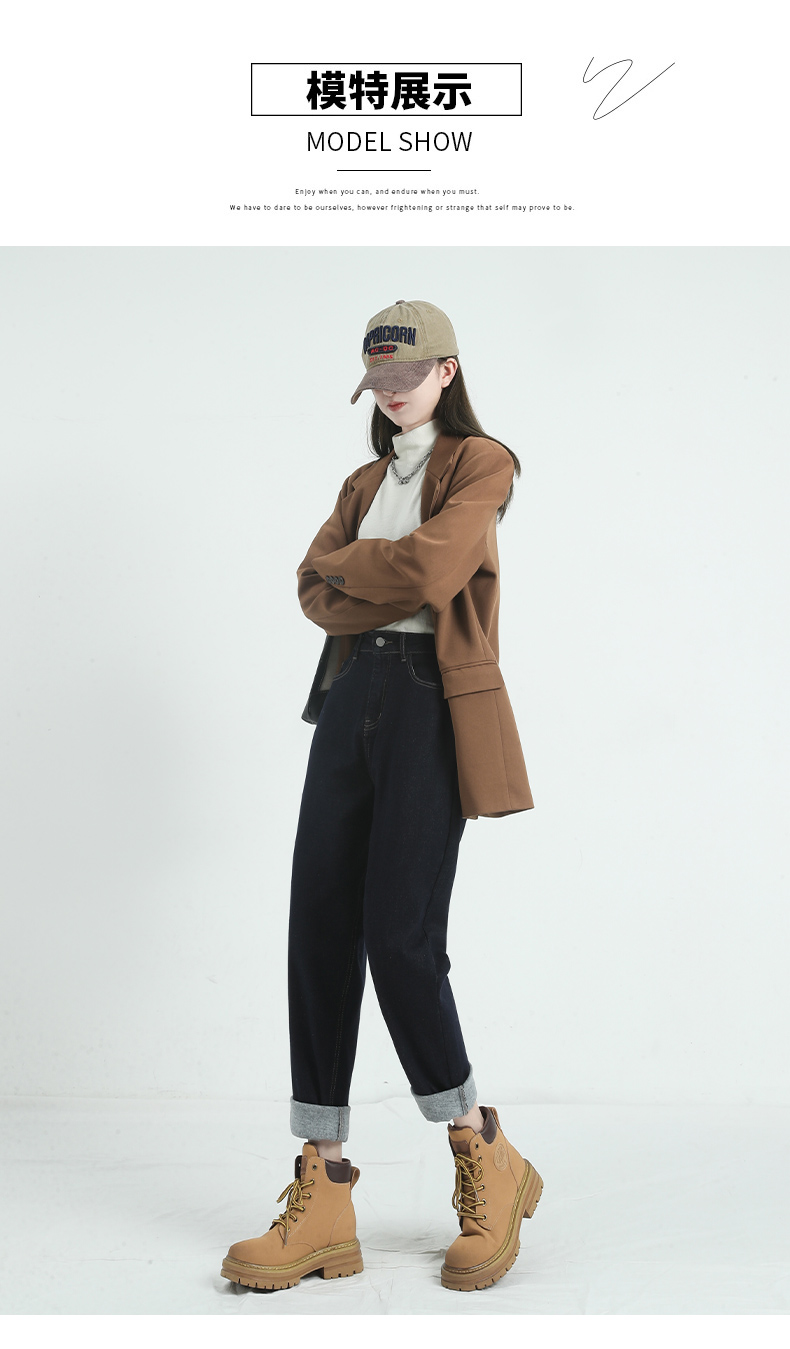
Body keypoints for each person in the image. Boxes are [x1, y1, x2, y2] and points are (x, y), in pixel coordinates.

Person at [221, 299, 543, 1294]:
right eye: (380, 381)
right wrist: (372, 575)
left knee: (400, 939)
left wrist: (356, 568)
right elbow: (310, 590)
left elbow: (434, 568)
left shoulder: (483, 463)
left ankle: (481, 1145)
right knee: (319, 926)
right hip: (350, 695)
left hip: (429, 703)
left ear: (447, 371)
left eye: (409, 376)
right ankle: (323, 1185)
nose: (393, 394)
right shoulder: (362, 482)